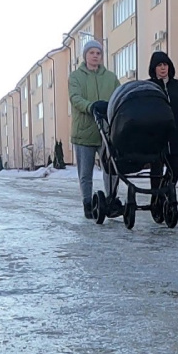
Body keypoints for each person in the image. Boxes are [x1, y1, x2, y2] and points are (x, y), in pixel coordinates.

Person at [69, 39, 121, 219]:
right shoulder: (76, 77)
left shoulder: (110, 77)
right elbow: (75, 98)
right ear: (85, 55)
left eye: (98, 53)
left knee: (111, 168)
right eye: (91, 53)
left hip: (106, 131)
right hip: (84, 132)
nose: (95, 56)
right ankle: (87, 203)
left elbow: (119, 96)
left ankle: (111, 199)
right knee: (85, 172)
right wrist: (91, 106)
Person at [147, 51, 178, 219]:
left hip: (177, 134)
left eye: (165, 64)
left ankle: (167, 193)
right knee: (156, 169)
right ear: (153, 68)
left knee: (176, 167)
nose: (163, 68)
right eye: (159, 65)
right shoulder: (149, 86)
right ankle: (156, 199)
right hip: (156, 136)